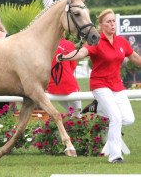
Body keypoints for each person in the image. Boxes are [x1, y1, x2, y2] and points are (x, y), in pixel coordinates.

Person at [56, 9, 141, 163]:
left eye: (113, 21)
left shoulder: (121, 41)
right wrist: (65, 57)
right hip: (100, 84)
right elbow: (81, 52)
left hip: (117, 85)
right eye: (108, 21)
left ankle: (98, 108)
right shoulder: (96, 41)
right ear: (101, 25)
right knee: (115, 117)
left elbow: (134, 57)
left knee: (128, 119)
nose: (112, 24)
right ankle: (115, 156)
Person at [47, 38, 82, 118]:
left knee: (72, 114)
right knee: (77, 116)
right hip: (69, 85)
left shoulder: (45, 44)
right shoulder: (68, 44)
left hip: (53, 87)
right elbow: (73, 65)